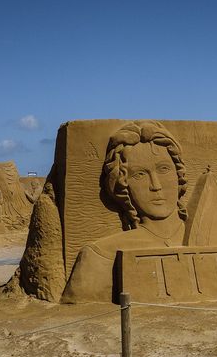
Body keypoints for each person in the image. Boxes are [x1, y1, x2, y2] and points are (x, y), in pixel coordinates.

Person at [61, 120, 188, 303]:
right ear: (123, 185)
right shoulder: (100, 254)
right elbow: (79, 309)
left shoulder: (207, 236)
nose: (156, 186)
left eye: (163, 169)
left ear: (179, 174)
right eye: (140, 175)